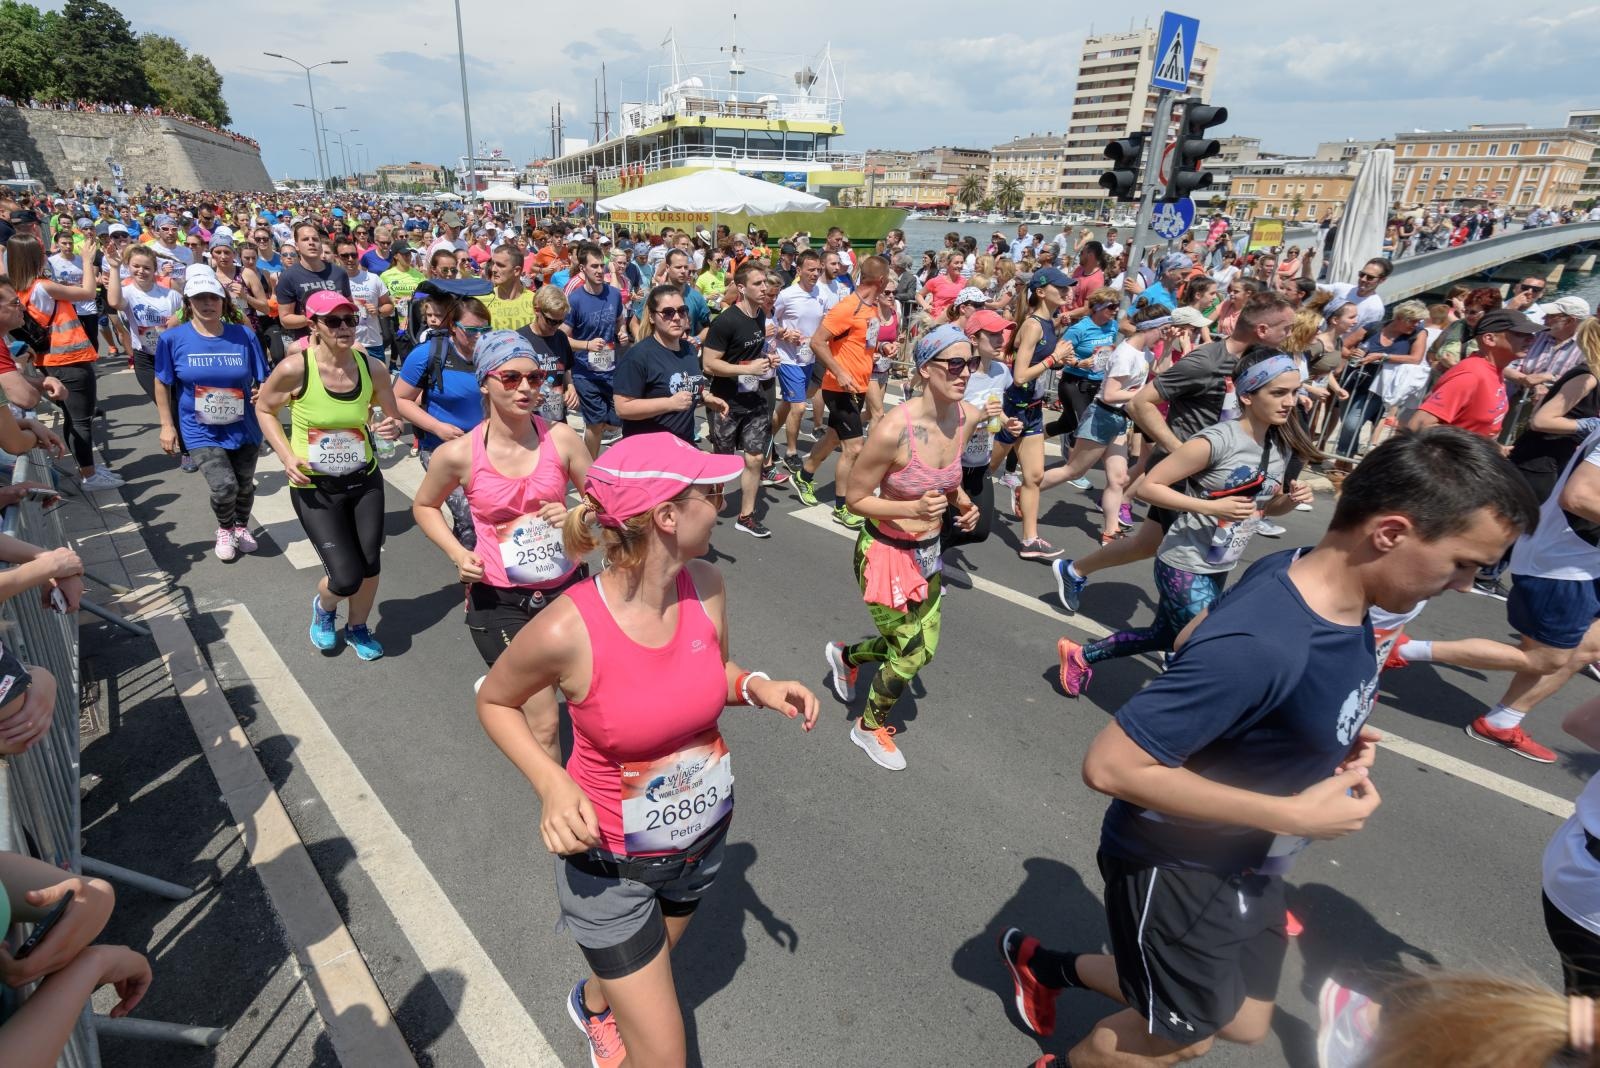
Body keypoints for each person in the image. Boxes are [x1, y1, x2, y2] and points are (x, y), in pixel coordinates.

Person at [1000, 428, 1538, 1068]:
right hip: (1178, 862)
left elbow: (1202, 629)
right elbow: (1110, 765)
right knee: (1186, 1031)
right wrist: (1294, 814)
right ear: (1390, 533)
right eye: (1464, 563)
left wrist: (1321, 731)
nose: (1465, 586)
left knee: (1248, 1022)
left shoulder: (1305, 572)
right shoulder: (1266, 642)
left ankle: (1044, 965)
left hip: (1252, 855)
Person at [475, 432, 818, 1068]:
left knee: (641, 972)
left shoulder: (707, 584)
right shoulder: (566, 626)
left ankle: (595, 1001)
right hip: (610, 868)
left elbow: (708, 673)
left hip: (699, 848)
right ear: (667, 515)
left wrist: (756, 686)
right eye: (709, 495)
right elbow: (494, 701)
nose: (721, 504)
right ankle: (610, 1003)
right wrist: (551, 782)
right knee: (664, 1057)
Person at [1059, 348, 1321, 694]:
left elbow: (1266, 509)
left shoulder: (1278, 445)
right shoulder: (1216, 441)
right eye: (1278, 393)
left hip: (1218, 563)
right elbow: (1149, 488)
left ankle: (1080, 655)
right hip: (1183, 562)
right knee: (1211, 645)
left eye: (1294, 391)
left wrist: (1288, 500)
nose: (1290, 402)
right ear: (1246, 395)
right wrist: (1213, 509)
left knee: (1165, 636)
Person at [1050, 291, 1298, 614]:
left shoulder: (1255, 362)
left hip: (1214, 473)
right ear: (1262, 330)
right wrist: (1180, 450)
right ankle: (1183, 630)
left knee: (1146, 545)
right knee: (1200, 557)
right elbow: (1141, 403)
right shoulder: (1206, 361)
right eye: (1287, 329)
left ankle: (1074, 570)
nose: (1291, 336)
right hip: (1184, 474)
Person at [824, 325, 980, 771]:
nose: (964, 372)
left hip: (927, 552)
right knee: (910, 652)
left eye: (970, 363)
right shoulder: (894, 429)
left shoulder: (965, 417)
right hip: (885, 555)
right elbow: (856, 499)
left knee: (921, 645)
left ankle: (846, 656)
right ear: (927, 368)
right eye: (954, 363)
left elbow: (949, 483)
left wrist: (964, 505)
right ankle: (868, 728)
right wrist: (911, 505)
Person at [413, 329, 590, 711]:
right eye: (510, 378)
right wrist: (458, 553)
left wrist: (576, 512)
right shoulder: (458, 454)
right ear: (485, 384)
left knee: (584, 697)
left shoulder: (561, 438)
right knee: (541, 716)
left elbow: (603, 500)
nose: (525, 387)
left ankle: (502, 684)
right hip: (500, 597)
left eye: (534, 377)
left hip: (566, 591)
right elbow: (424, 506)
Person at [254, 291, 404, 661]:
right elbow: (264, 409)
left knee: (369, 565)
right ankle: (324, 609)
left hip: (363, 479)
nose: (344, 328)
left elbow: (391, 415)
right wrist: (286, 456)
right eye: (333, 321)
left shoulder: (372, 368)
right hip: (315, 486)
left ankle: (356, 628)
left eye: (350, 320)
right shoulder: (295, 369)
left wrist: (391, 427)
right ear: (314, 326)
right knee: (345, 577)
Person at [153, 271, 270, 562]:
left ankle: (241, 527)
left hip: (244, 426)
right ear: (188, 302)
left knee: (244, 485)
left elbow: (264, 377)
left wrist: (263, 392)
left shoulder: (243, 335)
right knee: (224, 485)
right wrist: (167, 426)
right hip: (199, 427)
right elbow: (162, 382)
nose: (208, 304)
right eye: (200, 298)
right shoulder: (172, 339)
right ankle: (225, 528)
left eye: (213, 297)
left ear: (222, 301)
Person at [1036, 303, 1173, 547]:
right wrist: (1140, 395)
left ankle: (1110, 531)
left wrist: (1170, 345)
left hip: (1120, 419)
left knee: (1118, 478)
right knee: (1074, 471)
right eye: (1164, 330)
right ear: (1150, 328)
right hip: (1102, 416)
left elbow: (1162, 371)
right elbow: (1110, 394)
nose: (1165, 334)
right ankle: (1028, 491)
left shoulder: (1145, 352)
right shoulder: (1126, 354)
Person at [791, 255, 896, 529]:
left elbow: (863, 344)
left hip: (859, 384)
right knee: (854, 447)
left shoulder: (871, 308)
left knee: (834, 437)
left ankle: (805, 474)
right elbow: (817, 342)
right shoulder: (847, 307)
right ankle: (843, 506)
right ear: (881, 281)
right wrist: (839, 371)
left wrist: (883, 349)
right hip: (839, 387)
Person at [8, 232, 110, 486]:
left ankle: (88, 469)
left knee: (73, 417)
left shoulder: (19, 289)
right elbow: (88, 291)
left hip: (50, 360)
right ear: (36, 257)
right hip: (69, 359)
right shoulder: (42, 286)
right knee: (81, 419)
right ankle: (90, 475)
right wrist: (87, 260)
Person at [988, 266, 1075, 560]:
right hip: (1013, 409)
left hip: (1034, 411)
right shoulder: (1033, 325)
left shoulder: (1050, 323)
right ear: (1040, 292)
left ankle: (1030, 540)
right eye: (1060, 288)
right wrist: (1054, 358)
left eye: (1067, 288)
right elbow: (1021, 376)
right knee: (983, 470)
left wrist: (1064, 361)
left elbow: (1042, 365)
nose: (1067, 292)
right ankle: (947, 508)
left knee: (1035, 476)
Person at [395, 297, 492, 549]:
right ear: (452, 327)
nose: (478, 337)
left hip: (486, 448)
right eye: (471, 331)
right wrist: (437, 427)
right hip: (440, 449)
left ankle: (483, 563)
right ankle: (470, 570)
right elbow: (400, 399)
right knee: (469, 515)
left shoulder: (492, 354)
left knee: (488, 514)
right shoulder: (428, 354)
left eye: (485, 330)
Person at [701, 262, 779, 538]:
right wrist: (746, 369)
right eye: (758, 284)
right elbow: (709, 363)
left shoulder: (760, 315)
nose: (764, 288)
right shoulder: (726, 321)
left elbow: (751, 355)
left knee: (755, 457)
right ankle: (710, 506)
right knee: (723, 461)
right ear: (742, 288)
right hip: (725, 402)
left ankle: (746, 516)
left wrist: (767, 361)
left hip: (754, 398)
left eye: (764, 283)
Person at [613, 284, 728, 442]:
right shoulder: (638, 356)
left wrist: (705, 397)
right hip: (647, 449)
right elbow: (622, 407)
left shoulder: (689, 350)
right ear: (652, 317)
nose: (676, 317)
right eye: (667, 312)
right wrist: (669, 403)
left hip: (683, 444)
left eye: (682, 311)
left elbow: (683, 385)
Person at [1335, 302, 1428, 456]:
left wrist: (1384, 357)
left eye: (1419, 321)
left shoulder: (1418, 333)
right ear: (1400, 317)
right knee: (1347, 423)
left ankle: (1343, 457)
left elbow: (1415, 358)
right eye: (1413, 320)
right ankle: (1345, 461)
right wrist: (1351, 354)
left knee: (1352, 423)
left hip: (1380, 387)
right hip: (1354, 380)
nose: (1416, 324)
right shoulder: (1373, 327)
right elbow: (1343, 346)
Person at [770, 250, 832, 469]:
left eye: (818, 270)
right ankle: (791, 451)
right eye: (811, 269)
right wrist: (784, 333)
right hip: (788, 358)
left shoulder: (822, 294)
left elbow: (827, 322)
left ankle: (767, 438)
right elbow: (770, 321)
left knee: (788, 403)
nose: (815, 274)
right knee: (798, 407)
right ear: (799, 271)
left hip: (809, 358)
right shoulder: (787, 295)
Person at [564, 242, 626, 455]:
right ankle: (588, 468)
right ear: (583, 269)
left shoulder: (614, 294)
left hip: (610, 369)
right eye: (594, 267)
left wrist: (623, 331)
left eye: (602, 266)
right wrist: (586, 345)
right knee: (595, 423)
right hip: (585, 373)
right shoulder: (575, 300)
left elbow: (620, 320)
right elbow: (562, 338)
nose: (600, 271)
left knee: (617, 420)